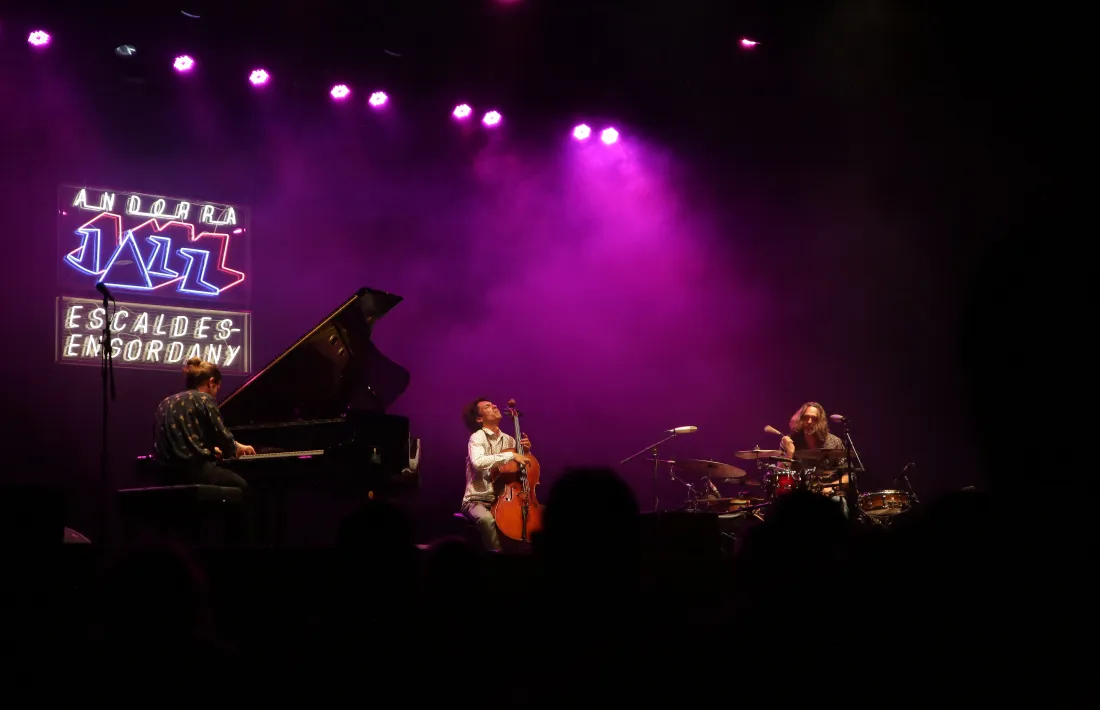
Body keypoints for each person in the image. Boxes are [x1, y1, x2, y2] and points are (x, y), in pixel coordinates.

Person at [153, 357, 256, 489]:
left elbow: (181, 441)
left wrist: (210, 449)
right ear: (211, 382)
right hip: (196, 473)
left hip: (166, 476)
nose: (216, 394)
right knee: (244, 487)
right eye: (217, 388)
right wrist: (238, 447)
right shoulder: (204, 399)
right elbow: (223, 438)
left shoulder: (165, 403)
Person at [460, 398, 532, 552]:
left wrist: (526, 452)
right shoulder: (477, 437)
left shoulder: (510, 440)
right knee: (487, 520)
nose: (494, 406)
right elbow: (478, 462)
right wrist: (512, 455)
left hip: (502, 499)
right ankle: (497, 557)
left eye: (493, 404)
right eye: (487, 406)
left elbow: (517, 471)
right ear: (479, 419)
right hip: (477, 499)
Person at [778, 401, 850, 515]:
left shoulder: (834, 442)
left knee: (839, 504)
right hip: (798, 494)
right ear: (799, 419)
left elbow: (848, 475)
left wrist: (832, 488)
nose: (809, 422)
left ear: (820, 422)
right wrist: (789, 453)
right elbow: (780, 474)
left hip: (827, 494)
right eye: (806, 418)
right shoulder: (790, 441)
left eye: (814, 419)